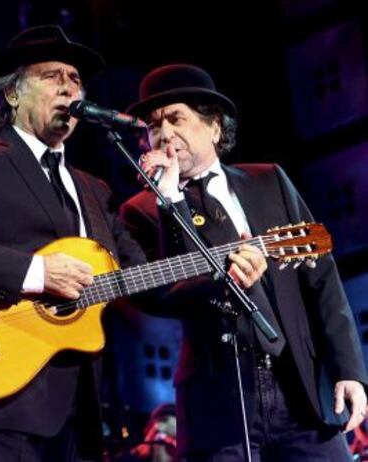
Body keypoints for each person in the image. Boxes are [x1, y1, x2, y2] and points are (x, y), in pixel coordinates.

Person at [120, 64, 368, 461]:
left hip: (299, 387)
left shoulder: (269, 180)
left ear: (214, 127)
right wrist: (172, 201)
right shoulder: (144, 211)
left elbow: (322, 280)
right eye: (153, 125)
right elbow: (174, 292)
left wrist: (350, 370)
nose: (164, 133)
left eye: (176, 118)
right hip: (220, 405)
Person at [0, 25, 147, 462]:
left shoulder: (93, 189)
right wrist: (38, 273)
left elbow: (147, 278)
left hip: (79, 417)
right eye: (52, 76)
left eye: (75, 79)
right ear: (12, 95)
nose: (68, 87)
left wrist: (171, 198)